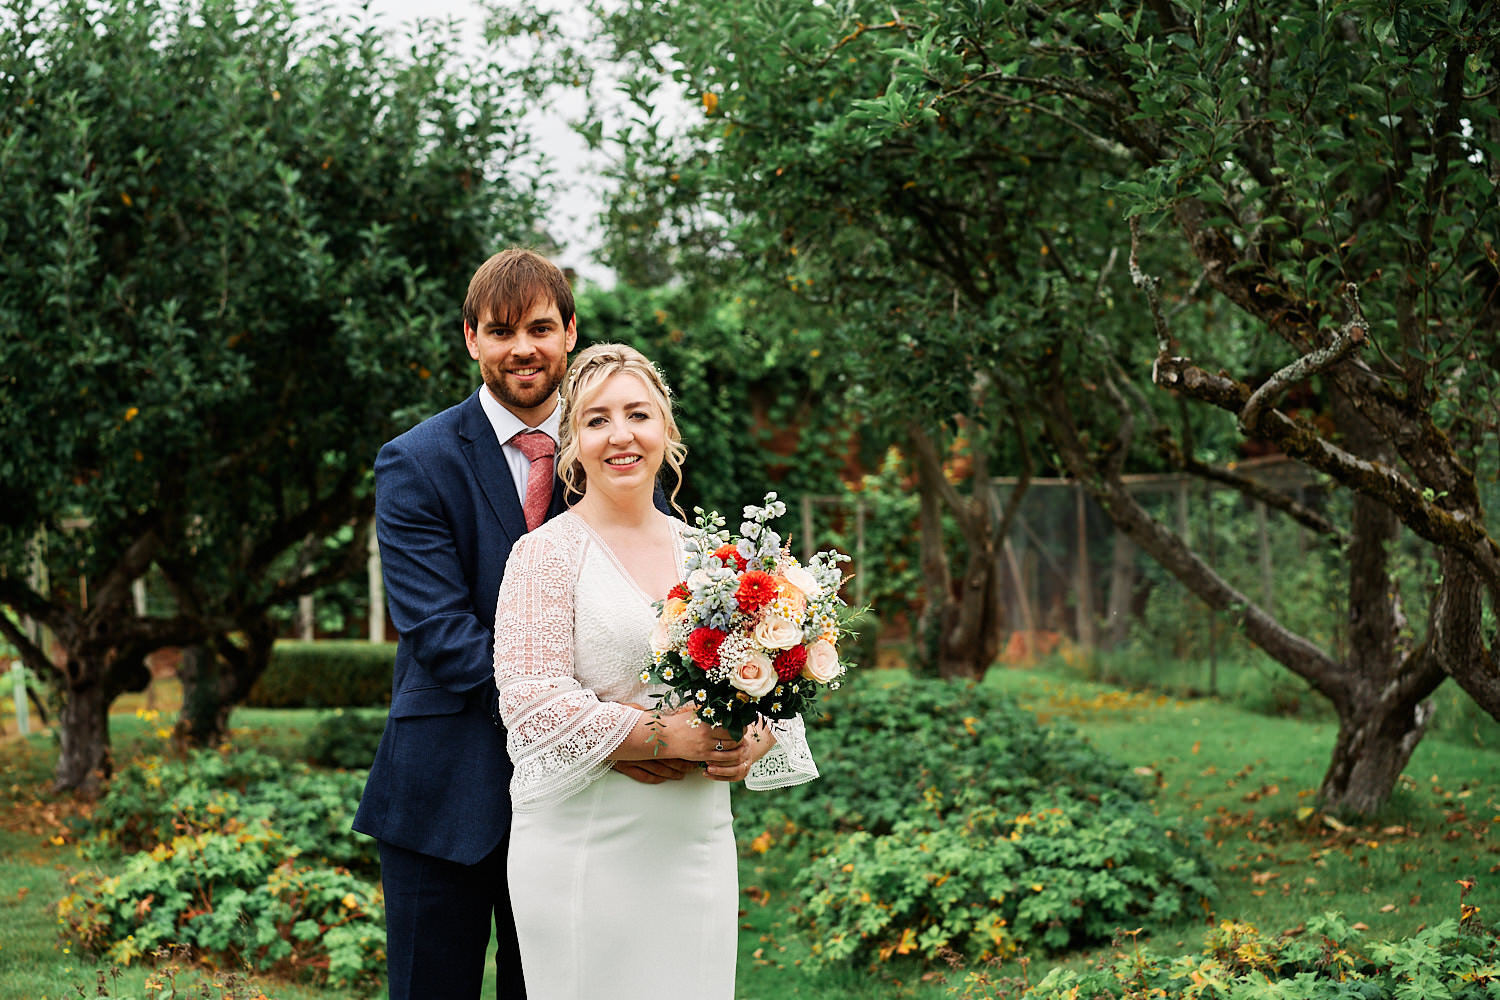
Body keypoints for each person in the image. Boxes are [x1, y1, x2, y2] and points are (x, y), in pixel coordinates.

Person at [353, 250, 686, 999]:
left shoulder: (619, 449)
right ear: (471, 338)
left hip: (585, 802)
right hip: (445, 790)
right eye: (501, 331)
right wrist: (587, 727)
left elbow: (653, 610)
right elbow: (440, 633)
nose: (523, 348)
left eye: (540, 327)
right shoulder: (415, 461)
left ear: (570, 332)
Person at [492, 343, 819, 999]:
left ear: (666, 430)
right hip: (581, 841)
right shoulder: (544, 556)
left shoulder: (711, 558)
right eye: (596, 419)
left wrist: (753, 737)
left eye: (638, 414)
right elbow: (531, 705)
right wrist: (666, 736)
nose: (621, 436)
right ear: (571, 444)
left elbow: (766, 684)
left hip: (692, 839)